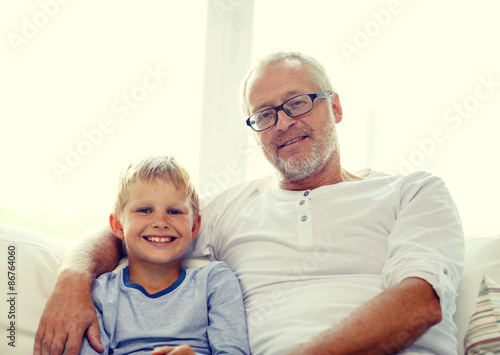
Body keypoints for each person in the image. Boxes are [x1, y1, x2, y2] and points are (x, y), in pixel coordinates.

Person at [34, 52, 464, 355]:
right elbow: (131, 230)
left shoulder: (414, 191)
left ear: (334, 107)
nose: (284, 123)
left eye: (297, 102)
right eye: (264, 115)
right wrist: (72, 280)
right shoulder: (228, 210)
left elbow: (419, 302)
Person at [79, 155, 250, 355]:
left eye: (175, 212)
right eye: (144, 210)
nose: (160, 221)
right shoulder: (102, 293)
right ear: (118, 225)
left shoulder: (215, 281)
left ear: (194, 226)